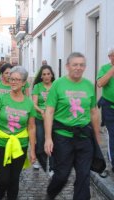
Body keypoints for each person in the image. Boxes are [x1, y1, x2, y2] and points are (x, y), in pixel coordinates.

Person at [44, 52, 101, 200]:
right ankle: (51, 193)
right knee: (62, 175)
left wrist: (96, 136)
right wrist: (48, 138)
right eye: (75, 64)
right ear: (68, 66)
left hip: (84, 137)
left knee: (84, 175)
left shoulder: (88, 85)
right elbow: (49, 112)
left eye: (82, 65)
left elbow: (94, 112)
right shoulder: (58, 84)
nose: (78, 68)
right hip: (63, 137)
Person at [0, 66, 36, 200]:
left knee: (14, 179)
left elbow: (32, 127)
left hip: (20, 143)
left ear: (24, 83)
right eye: (11, 79)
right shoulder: (2, 98)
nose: (13, 82)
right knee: (4, 179)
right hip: (1, 141)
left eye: (17, 79)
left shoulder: (29, 103)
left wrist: (32, 150)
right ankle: (0, 196)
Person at [32, 65, 55, 171]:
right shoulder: (37, 87)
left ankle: (52, 166)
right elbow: (34, 103)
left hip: (53, 118)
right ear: (41, 76)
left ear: (52, 75)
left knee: (53, 141)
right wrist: (41, 111)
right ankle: (38, 159)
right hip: (40, 118)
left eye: (48, 74)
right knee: (41, 140)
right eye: (44, 74)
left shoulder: (56, 86)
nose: (46, 76)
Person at [97, 47, 114, 173]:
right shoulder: (104, 68)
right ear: (110, 57)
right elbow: (100, 83)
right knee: (112, 135)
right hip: (109, 107)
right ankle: (113, 162)